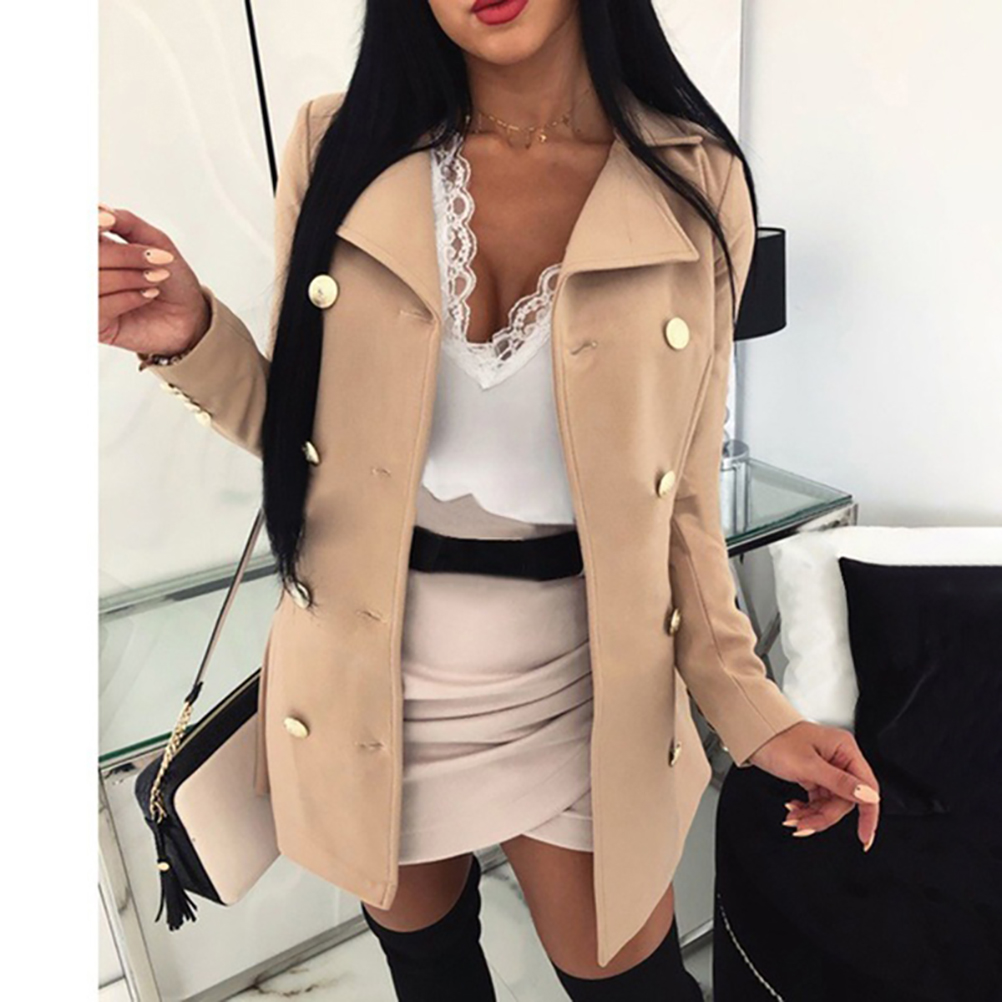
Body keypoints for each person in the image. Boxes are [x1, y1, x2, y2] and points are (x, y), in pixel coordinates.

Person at [98, 1, 882, 998]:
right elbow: (307, 442)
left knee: (634, 984)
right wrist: (188, 336)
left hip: (585, 680)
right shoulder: (337, 145)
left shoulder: (693, 177)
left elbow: (680, 497)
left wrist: (753, 709)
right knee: (430, 969)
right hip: (376, 674)